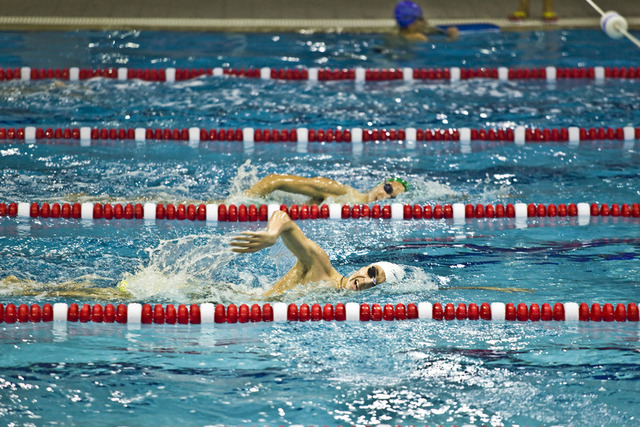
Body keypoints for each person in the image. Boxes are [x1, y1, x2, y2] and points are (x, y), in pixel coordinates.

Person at [230, 210, 404, 296]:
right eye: (371, 273)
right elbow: (283, 217)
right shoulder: (320, 266)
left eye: (374, 284)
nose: (366, 282)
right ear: (365, 267)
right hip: (236, 302)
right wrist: (272, 235)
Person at [245, 174, 409, 205]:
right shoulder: (340, 191)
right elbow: (274, 180)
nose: (385, 197)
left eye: (392, 197)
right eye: (388, 189)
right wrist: (243, 201)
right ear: (381, 184)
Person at [394, 0, 459, 42]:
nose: (424, 21)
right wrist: (452, 38)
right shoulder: (419, 37)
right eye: (420, 18)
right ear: (410, 23)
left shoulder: (393, 35)